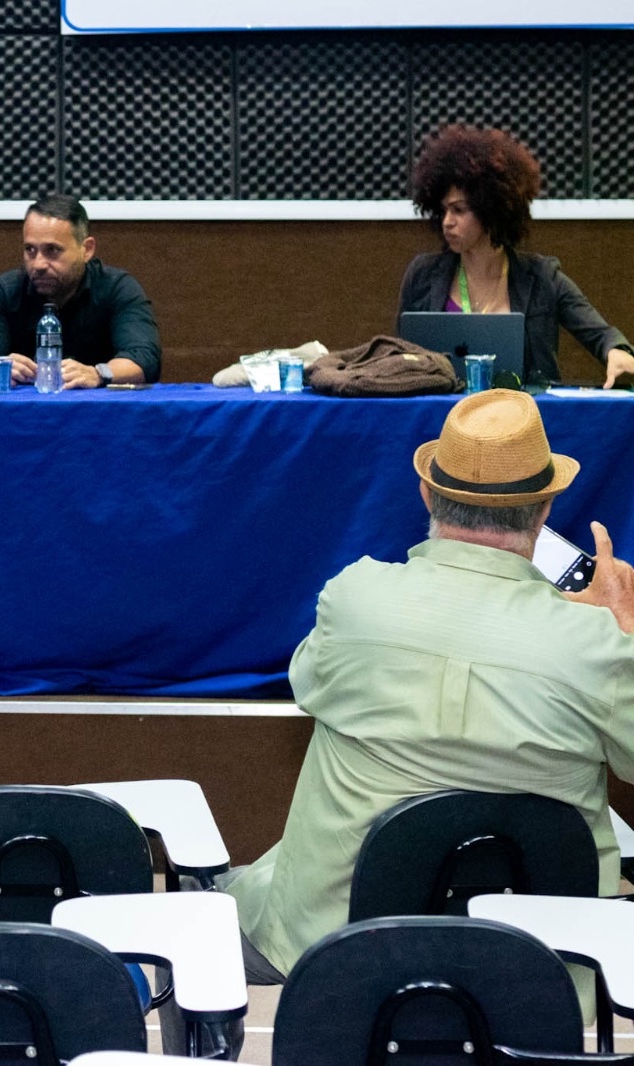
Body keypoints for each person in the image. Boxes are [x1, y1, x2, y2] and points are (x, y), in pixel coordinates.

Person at [226, 389, 634, 983]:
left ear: (426, 492)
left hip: (333, 954)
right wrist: (621, 631)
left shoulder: (354, 598)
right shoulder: (598, 645)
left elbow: (308, 686)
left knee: (230, 895)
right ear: (545, 508)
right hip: (536, 975)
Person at [400, 124, 634, 388]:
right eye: (443, 211)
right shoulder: (422, 276)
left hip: (524, 411)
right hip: (443, 412)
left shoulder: (543, 277)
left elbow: (600, 334)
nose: (447, 222)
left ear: (490, 209)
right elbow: (401, 358)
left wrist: (617, 351)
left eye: (459, 210)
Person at [0, 194, 160, 388]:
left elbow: (144, 359)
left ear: (87, 249)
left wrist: (97, 373)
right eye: (30, 250)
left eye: (52, 250)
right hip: (24, 407)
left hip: (100, 407)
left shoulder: (117, 288)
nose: (38, 264)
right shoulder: (3, 292)